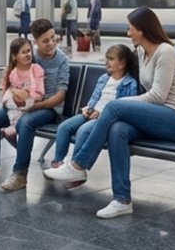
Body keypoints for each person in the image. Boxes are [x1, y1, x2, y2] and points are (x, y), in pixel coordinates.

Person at [44, 7, 175, 218]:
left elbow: (158, 96)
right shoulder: (142, 52)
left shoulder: (165, 52)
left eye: (131, 28)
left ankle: (79, 164)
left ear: (142, 30)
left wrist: (119, 105)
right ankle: (122, 200)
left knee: (114, 107)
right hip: (155, 117)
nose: (128, 33)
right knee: (118, 130)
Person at [0, 18, 69, 191]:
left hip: (49, 108)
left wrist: (35, 106)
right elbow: (11, 75)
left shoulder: (62, 60)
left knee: (26, 122)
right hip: (22, 105)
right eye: (45, 40)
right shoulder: (29, 55)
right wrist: (15, 96)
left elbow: (61, 95)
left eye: (53, 38)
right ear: (36, 41)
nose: (51, 43)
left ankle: (20, 173)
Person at [48, 43, 139, 175]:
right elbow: (95, 97)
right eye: (107, 58)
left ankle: (75, 169)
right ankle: (57, 163)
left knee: (83, 131)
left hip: (105, 119)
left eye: (111, 59)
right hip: (92, 114)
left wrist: (101, 114)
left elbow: (124, 108)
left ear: (122, 63)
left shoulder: (130, 83)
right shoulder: (103, 79)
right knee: (64, 127)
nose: (107, 62)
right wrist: (89, 108)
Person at [0, 38, 45, 141]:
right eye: (23, 52)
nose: (27, 54)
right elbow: (13, 87)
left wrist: (27, 94)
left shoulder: (36, 69)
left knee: (23, 110)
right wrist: (16, 95)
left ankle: (13, 129)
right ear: (14, 56)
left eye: (29, 51)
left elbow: (39, 89)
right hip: (18, 98)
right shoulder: (13, 72)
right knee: (10, 105)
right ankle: (13, 127)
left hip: (32, 98)